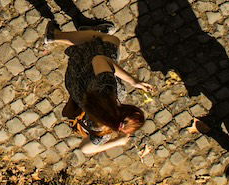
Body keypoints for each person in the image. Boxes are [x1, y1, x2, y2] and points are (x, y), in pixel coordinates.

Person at [49, 23, 152, 155]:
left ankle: (55, 35)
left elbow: (99, 60)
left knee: (110, 40)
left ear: (125, 108)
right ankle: (85, 34)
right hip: (74, 84)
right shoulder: (102, 131)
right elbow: (85, 149)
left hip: (82, 66)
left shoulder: (109, 90)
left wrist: (133, 81)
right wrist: (118, 142)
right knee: (108, 50)